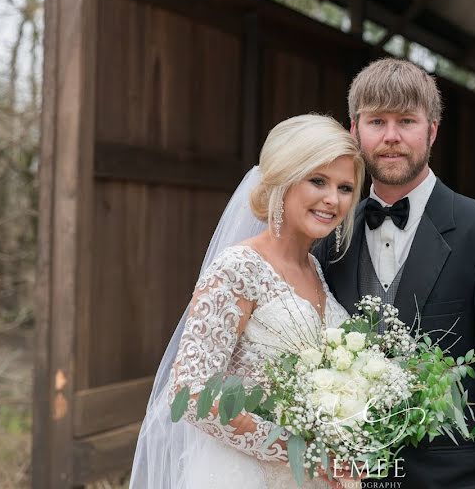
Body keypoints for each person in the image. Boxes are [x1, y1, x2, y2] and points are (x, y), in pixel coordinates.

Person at [315, 58, 475, 489]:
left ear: (432, 130)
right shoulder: (328, 243)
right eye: (376, 121)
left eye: (406, 121)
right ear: (354, 130)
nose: (391, 137)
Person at [130, 114, 365, 489]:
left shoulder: (316, 270)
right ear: (284, 180)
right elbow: (190, 393)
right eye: (318, 181)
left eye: (345, 188)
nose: (332, 199)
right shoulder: (239, 268)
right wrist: (296, 449)